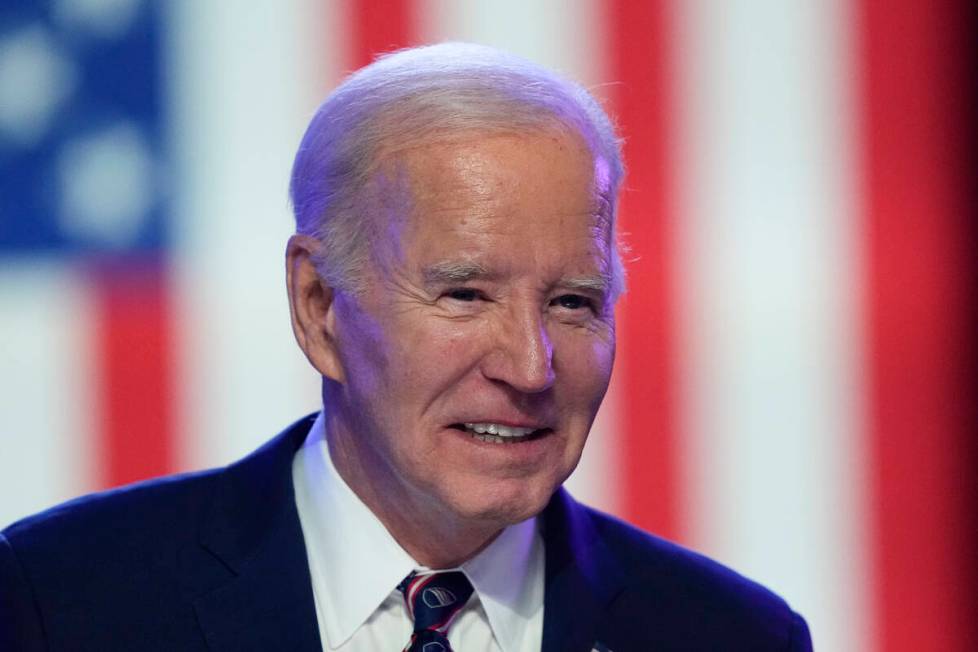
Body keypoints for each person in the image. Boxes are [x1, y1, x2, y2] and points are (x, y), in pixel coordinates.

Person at [0, 43, 812, 651]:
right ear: (318, 307)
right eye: (465, 295)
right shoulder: (61, 600)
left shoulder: (732, 635)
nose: (531, 369)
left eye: (572, 302)